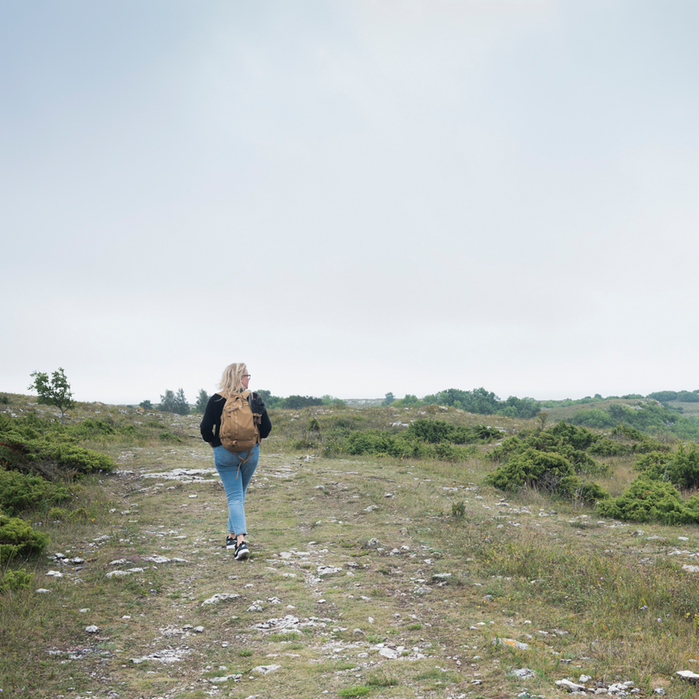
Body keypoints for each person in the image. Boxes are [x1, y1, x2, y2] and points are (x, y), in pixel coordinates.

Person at [200, 362, 272, 560]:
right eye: (248, 375)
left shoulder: (216, 399)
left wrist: (213, 443)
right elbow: (266, 428)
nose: (249, 379)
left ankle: (236, 539)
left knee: (235, 496)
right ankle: (237, 540)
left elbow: (205, 429)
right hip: (250, 453)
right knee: (239, 494)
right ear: (240, 377)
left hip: (224, 453)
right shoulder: (255, 398)